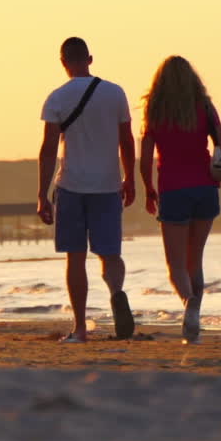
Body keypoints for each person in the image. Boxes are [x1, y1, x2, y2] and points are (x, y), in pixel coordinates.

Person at [139, 55, 221, 344]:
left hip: (172, 189)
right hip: (205, 188)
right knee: (195, 260)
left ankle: (189, 304)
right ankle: (195, 317)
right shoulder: (203, 106)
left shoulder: (155, 110)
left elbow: (145, 157)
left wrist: (148, 188)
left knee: (175, 264)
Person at [37, 36, 136, 343]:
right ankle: (117, 292)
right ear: (90, 59)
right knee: (110, 253)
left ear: (63, 62)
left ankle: (80, 328)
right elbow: (127, 140)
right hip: (107, 185)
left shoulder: (57, 98)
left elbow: (49, 149)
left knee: (75, 257)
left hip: (71, 185)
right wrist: (130, 178)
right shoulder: (115, 93)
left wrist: (42, 194)